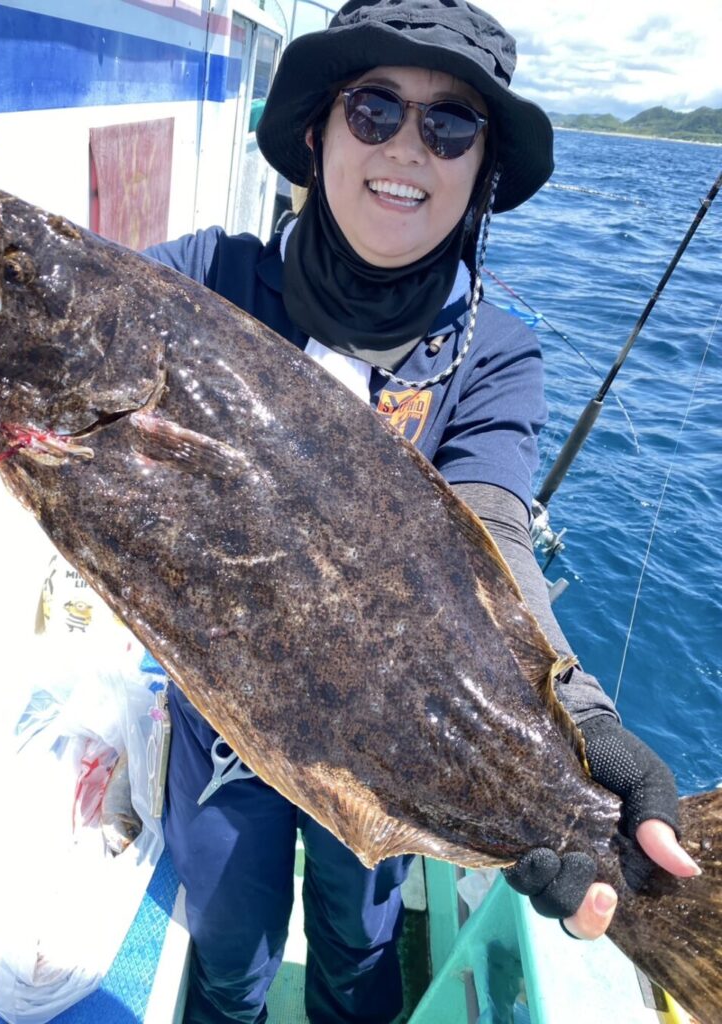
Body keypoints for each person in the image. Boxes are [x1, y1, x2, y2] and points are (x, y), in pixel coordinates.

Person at [147, 2, 702, 1022]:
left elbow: (494, 534)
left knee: (359, 948)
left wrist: (578, 718)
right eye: (374, 108)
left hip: (390, 748)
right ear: (318, 130)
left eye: (450, 125)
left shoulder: (494, 357)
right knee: (227, 940)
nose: (408, 146)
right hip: (223, 722)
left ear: (481, 168)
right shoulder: (203, 282)